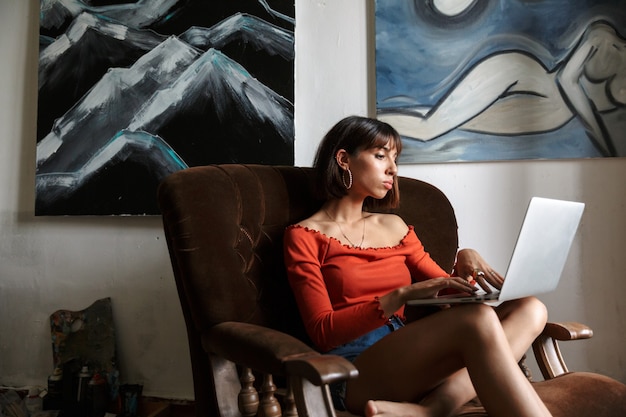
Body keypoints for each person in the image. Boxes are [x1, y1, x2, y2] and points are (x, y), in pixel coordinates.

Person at [283, 115, 552, 417]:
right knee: (476, 320)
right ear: (344, 159)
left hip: (409, 355)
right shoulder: (303, 236)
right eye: (380, 155)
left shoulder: (395, 226)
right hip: (353, 367)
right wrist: (400, 296)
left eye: (395, 158)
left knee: (530, 308)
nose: (393, 169)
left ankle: (435, 407)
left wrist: (464, 258)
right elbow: (322, 331)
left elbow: (450, 295)